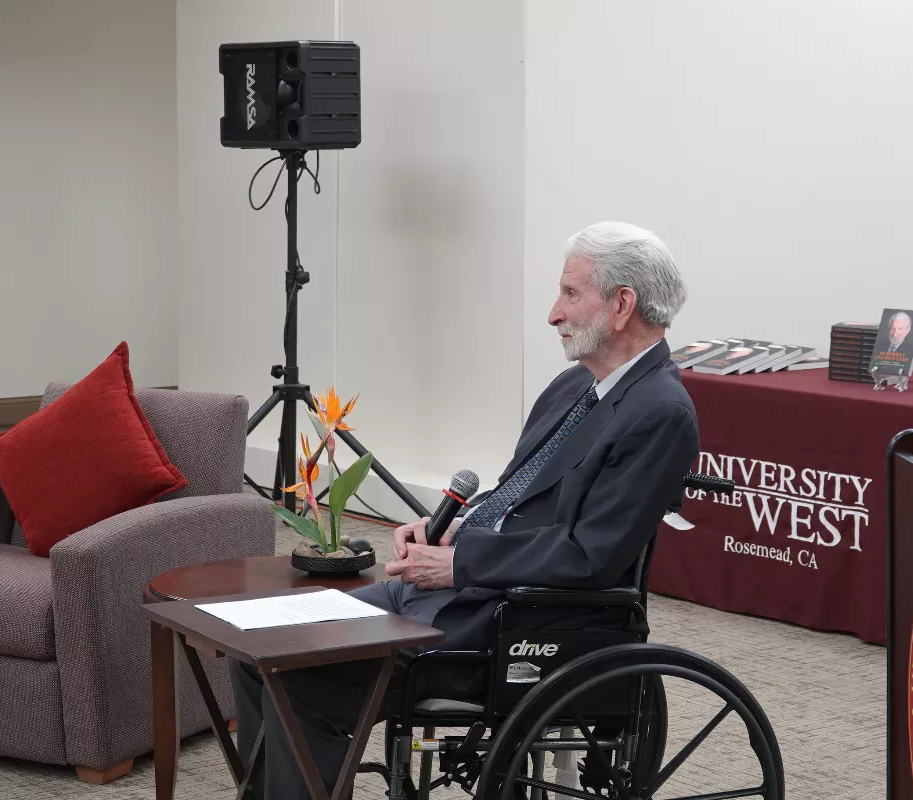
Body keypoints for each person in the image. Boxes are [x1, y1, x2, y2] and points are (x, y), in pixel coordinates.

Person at [229, 221, 700, 798]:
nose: (554, 313)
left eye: (570, 294)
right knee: (256, 650)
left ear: (622, 304)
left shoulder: (660, 412)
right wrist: (451, 528)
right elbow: (519, 496)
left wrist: (460, 562)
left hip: (514, 617)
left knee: (300, 676)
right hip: (458, 585)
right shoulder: (572, 386)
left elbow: (591, 554)